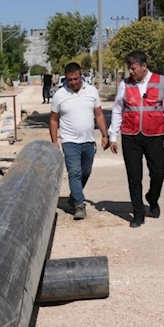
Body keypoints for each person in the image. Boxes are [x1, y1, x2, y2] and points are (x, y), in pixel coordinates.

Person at [108, 51, 164, 228]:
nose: (131, 72)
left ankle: (152, 198)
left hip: (155, 135)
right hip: (131, 136)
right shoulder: (125, 85)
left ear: (144, 66)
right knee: (134, 176)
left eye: (133, 68)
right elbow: (117, 110)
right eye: (129, 69)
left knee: (158, 173)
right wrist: (113, 136)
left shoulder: (161, 82)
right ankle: (138, 214)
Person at [50, 62, 109, 220]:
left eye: (76, 79)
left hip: (88, 141)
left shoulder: (91, 91)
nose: (73, 82)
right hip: (69, 142)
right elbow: (54, 120)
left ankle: (74, 196)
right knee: (74, 172)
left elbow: (99, 115)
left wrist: (105, 135)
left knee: (86, 172)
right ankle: (79, 205)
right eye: (70, 80)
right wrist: (54, 140)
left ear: (81, 76)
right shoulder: (59, 95)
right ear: (66, 79)